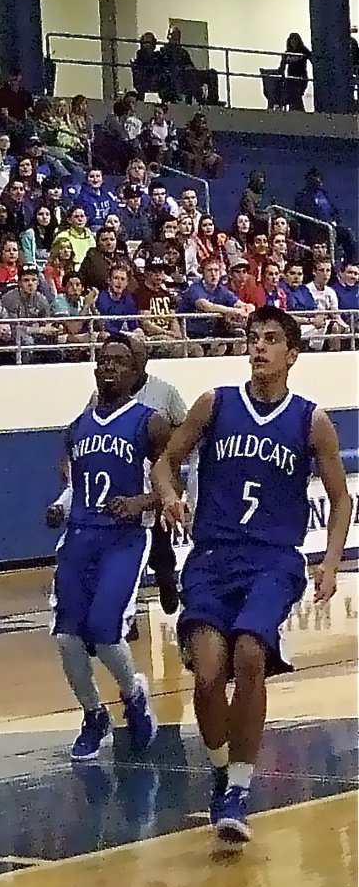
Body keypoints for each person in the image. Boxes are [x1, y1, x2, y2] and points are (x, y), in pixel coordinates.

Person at [152, 306, 351, 842]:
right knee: (210, 670)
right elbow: (165, 462)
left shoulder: (311, 421)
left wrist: (329, 562)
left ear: (292, 353)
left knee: (248, 653)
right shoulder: (215, 404)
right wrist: (169, 495)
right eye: (252, 338)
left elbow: (340, 499)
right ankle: (221, 768)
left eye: (270, 339)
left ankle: (239, 787)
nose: (258, 347)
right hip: (213, 557)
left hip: (273, 560)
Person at [45, 335, 170, 760]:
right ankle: (94, 714)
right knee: (66, 637)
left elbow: (175, 480)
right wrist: (60, 506)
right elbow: (76, 485)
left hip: (123, 538)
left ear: (136, 374)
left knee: (104, 630)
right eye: (103, 360)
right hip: (79, 536)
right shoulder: (76, 427)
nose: (109, 367)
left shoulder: (150, 422)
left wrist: (142, 501)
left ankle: (134, 693)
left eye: (119, 361)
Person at [280, 33, 312, 111]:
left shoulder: (303, 50)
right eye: (292, 39)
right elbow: (282, 67)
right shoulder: (287, 53)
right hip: (291, 78)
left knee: (296, 95)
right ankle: (295, 111)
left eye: (295, 39)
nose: (294, 41)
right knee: (292, 95)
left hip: (301, 77)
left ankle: (298, 111)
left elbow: (312, 58)